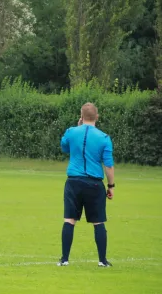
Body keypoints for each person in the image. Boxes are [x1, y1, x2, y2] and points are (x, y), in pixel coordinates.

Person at [58, 102, 115, 267]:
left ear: (81, 117)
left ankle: (64, 259)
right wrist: (111, 186)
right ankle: (102, 261)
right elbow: (108, 165)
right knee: (98, 222)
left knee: (69, 219)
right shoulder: (104, 138)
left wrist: (76, 128)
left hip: (73, 182)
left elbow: (64, 147)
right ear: (97, 117)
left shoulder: (71, 132)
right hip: (94, 184)